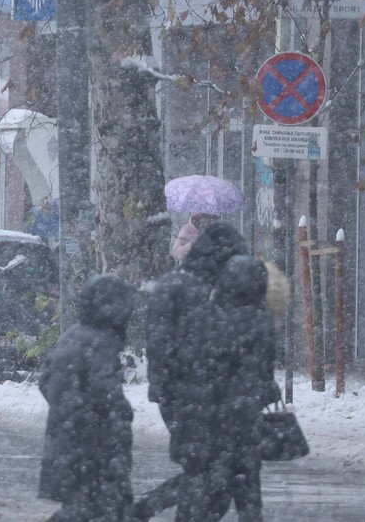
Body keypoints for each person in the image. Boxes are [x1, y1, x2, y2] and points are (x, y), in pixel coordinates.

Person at [133, 221, 252, 520]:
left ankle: (144, 508)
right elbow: (169, 346)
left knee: (211, 473)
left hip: (197, 396)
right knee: (212, 473)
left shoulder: (199, 285)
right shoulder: (189, 287)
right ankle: (146, 508)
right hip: (191, 398)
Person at [166, 254, 279, 521]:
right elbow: (262, 373)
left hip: (203, 423)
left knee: (204, 495)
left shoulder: (202, 316)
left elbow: (184, 364)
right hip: (243, 426)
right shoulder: (259, 321)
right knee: (248, 496)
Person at [38, 275, 137, 521]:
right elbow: (106, 391)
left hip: (67, 442)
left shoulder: (73, 335)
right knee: (107, 509)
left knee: (81, 508)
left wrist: (68, 408)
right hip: (94, 447)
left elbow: (46, 381)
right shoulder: (102, 343)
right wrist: (120, 414)